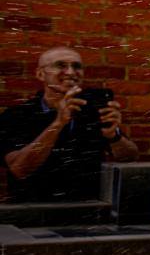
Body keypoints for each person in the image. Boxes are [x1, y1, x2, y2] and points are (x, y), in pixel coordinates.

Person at [1, 46, 138, 202]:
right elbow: (19, 169)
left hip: (88, 207)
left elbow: (129, 158)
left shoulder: (91, 111)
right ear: (40, 74)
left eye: (77, 66)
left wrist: (114, 136)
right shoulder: (16, 115)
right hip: (33, 208)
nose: (71, 72)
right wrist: (58, 123)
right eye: (60, 65)